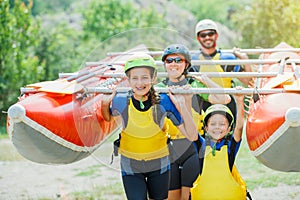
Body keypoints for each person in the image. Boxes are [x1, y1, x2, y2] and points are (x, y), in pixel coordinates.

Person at [101, 53, 198, 200]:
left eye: (145, 77)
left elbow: (192, 136)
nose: (140, 83)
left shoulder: (164, 101)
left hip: (159, 164)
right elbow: (108, 118)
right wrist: (104, 104)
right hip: (131, 164)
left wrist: (182, 105)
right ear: (128, 80)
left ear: (153, 78)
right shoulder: (120, 100)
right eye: (135, 78)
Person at [156, 44, 231, 200]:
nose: (174, 64)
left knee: (188, 197)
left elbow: (224, 99)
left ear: (186, 64)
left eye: (178, 60)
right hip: (168, 148)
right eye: (169, 60)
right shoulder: (159, 88)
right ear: (165, 64)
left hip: (193, 148)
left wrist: (205, 80)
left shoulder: (195, 85)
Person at [190, 89, 252, 199]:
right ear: (206, 128)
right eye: (213, 124)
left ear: (229, 129)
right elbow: (190, 126)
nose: (217, 127)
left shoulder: (230, 147)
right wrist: (183, 101)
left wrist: (239, 101)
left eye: (222, 124)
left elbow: (239, 127)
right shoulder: (202, 146)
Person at [191, 18, 253, 120]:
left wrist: (244, 59)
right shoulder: (194, 60)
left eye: (210, 34)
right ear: (198, 38)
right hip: (202, 105)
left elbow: (248, 81)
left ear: (216, 35)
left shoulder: (227, 58)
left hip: (226, 103)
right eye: (203, 35)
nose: (207, 37)